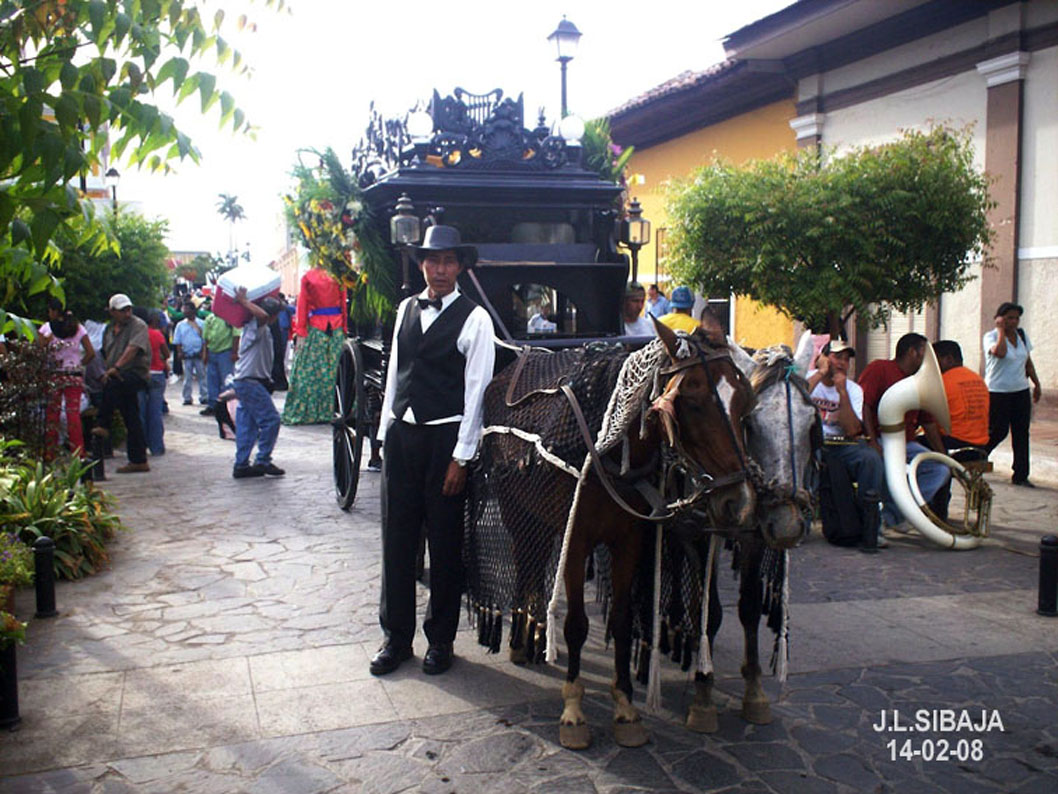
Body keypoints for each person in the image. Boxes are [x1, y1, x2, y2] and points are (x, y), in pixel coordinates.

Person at [371, 225, 495, 677]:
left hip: (446, 440)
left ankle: (440, 640)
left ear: (460, 266)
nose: (439, 270)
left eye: (448, 261)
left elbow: (477, 390)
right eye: (432, 260)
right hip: (403, 437)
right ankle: (396, 638)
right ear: (422, 264)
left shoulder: (474, 318)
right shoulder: (406, 308)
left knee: (444, 547)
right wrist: (385, 435)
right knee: (396, 543)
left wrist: (462, 457)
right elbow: (394, 377)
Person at [857, 333, 950, 529]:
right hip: (881, 438)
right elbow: (864, 405)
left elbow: (929, 422)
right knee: (883, 466)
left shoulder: (920, 380)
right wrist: (871, 440)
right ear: (912, 352)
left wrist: (943, 456)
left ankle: (892, 515)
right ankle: (893, 516)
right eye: (924, 353)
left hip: (907, 443)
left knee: (939, 469)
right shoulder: (879, 368)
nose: (928, 360)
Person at [807, 339, 889, 546]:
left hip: (843, 445)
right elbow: (795, 399)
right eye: (837, 357)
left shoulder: (853, 390)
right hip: (810, 442)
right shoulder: (808, 380)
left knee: (871, 460)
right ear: (824, 358)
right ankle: (802, 524)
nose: (842, 363)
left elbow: (853, 430)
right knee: (806, 462)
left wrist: (841, 391)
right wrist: (819, 374)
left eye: (846, 359)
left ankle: (870, 525)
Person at [929, 340, 991, 521]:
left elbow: (931, 421)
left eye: (935, 360)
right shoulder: (978, 379)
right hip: (980, 446)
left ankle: (936, 508)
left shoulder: (943, 382)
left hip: (955, 445)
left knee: (913, 449)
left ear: (948, 359)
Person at [984, 302, 1042, 487]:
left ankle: (1021, 475)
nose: (1014, 322)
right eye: (1009, 318)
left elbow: (1027, 361)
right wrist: (1001, 330)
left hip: (1020, 391)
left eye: (1016, 318)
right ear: (1000, 319)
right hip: (998, 392)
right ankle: (974, 459)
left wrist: (1036, 383)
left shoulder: (1022, 336)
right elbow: (1000, 353)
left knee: (1021, 433)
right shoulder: (991, 336)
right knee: (998, 431)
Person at [92, 294, 151, 473]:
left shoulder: (138, 325)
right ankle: (138, 459)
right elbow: (105, 352)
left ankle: (103, 423)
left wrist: (116, 368)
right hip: (116, 374)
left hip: (134, 373)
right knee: (131, 417)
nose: (127, 313)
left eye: (128, 309)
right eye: (122, 310)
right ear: (112, 312)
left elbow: (132, 349)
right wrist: (108, 370)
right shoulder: (109, 329)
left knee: (113, 385)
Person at [230, 289, 285, 479]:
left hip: (247, 381)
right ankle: (262, 460)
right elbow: (262, 315)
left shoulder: (256, 328)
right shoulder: (256, 326)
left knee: (248, 425)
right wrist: (244, 301)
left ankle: (242, 464)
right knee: (271, 420)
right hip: (250, 382)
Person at [282, 268, 347, 425]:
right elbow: (344, 302)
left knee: (310, 370)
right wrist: (344, 327)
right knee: (336, 368)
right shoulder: (338, 275)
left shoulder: (308, 277)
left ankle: (312, 410)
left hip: (316, 328)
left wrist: (301, 331)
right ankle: (336, 407)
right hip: (336, 326)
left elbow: (302, 305)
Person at [39, 298, 95, 460]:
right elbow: (91, 353)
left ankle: (50, 453)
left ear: (54, 311)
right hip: (74, 376)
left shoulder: (46, 329)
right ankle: (78, 454)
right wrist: (78, 364)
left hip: (54, 375)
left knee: (52, 415)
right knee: (73, 415)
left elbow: (39, 352)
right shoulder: (78, 328)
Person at [137, 309, 170, 457]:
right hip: (157, 374)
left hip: (141, 374)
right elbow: (167, 353)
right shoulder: (157, 335)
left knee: (141, 412)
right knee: (155, 412)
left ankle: (141, 446)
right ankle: (157, 447)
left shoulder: (138, 335)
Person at [201, 310, 239, 416]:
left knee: (227, 380)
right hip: (212, 351)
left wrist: (234, 352)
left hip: (226, 352)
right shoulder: (210, 318)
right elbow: (205, 338)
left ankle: (228, 406)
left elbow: (236, 335)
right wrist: (205, 353)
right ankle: (213, 405)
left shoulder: (230, 317)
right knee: (212, 379)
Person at [172, 301, 207, 406]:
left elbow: (205, 340)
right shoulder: (180, 325)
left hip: (198, 353)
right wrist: (179, 352)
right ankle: (187, 397)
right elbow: (177, 340)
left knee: (202, 376)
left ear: (193, 310)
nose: (184, 311)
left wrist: (203, 352)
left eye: (187, 309)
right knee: (187, 378)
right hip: (187, 354)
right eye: (184, 309)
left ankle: (204, 396)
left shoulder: (201, 324)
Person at [271, 293, 294, 391]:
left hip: (282, 330)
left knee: (279, 353)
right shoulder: (280, 307)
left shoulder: (284, 308)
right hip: (279, 330)